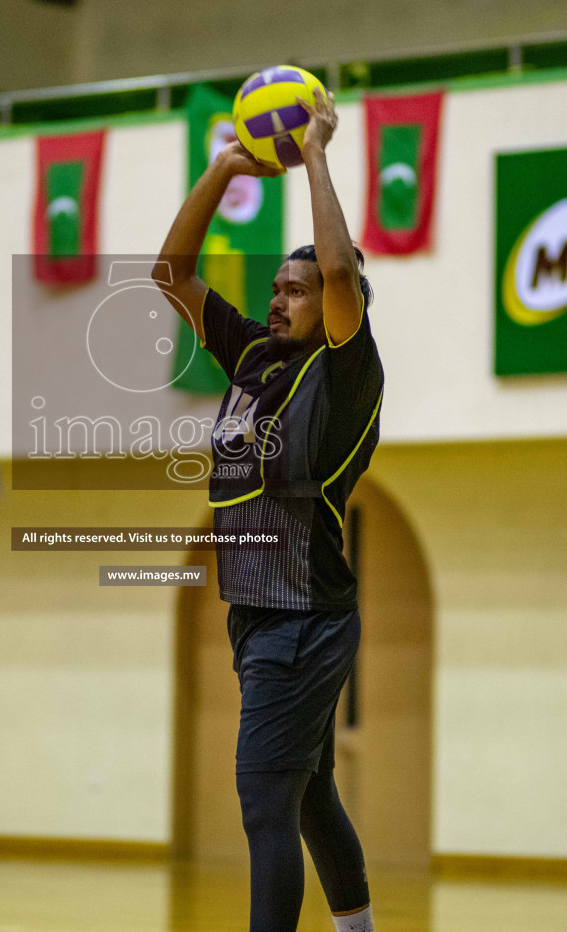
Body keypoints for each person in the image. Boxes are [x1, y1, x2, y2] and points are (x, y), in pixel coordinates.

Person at [154, 90, 384, 932]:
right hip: (257, 616)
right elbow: (170, 276)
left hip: (306, 613)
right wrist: (220, 169)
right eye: (278, 287)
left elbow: (336, 272)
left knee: (263, 800)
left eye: (300, 288)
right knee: (309, 786)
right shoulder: (254, 356)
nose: (284, 297)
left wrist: (315, 155)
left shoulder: (347, 369)